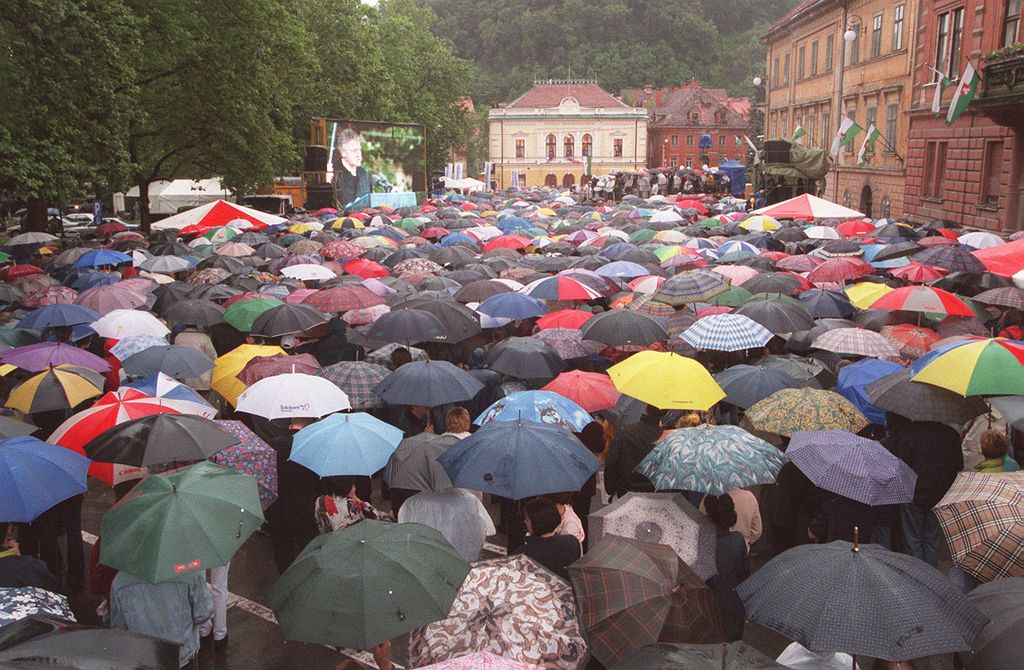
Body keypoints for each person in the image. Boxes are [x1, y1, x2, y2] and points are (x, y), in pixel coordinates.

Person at [882, 413, 962, 567]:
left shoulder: (910, 433)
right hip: (940, 495)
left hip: (913, 494)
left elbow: (902, 465)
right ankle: (931, 576)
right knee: (932, 540)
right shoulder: (951, 435)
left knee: (912, 539)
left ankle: (917, 576)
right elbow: (958, 465)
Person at [109, 569, 213, 669]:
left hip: (143, 658)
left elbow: (118, 627)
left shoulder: (120, 580)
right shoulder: (189, 574)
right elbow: (203, 614)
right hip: (182, 655)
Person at [702, 493, 749, 642]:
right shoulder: (737, 540)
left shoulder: (700, 542)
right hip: (733, 606)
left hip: (707, 608)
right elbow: (745, 575)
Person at [512, 497, 581, 580]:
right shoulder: (571, 542)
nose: (525, 521)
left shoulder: (523, 553)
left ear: (535, 524)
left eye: (527, 520)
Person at [604, 405, 664, 498]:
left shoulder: (626, 432)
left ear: (646, 410)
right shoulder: (664, 437)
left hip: (627, 490)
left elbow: (612, 460)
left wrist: (611, 488)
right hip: (653, 493)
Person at [314, 475, 388, 534]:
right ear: (350, 487)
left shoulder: (320, 501)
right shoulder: (354, 506)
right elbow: (377, 517)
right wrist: (356, 499)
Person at [332, 128, 372, 211]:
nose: (358, 155)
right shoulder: (333, 175)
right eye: (354, 150)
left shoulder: (365, 174)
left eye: (359, 150)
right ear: (343, 153)